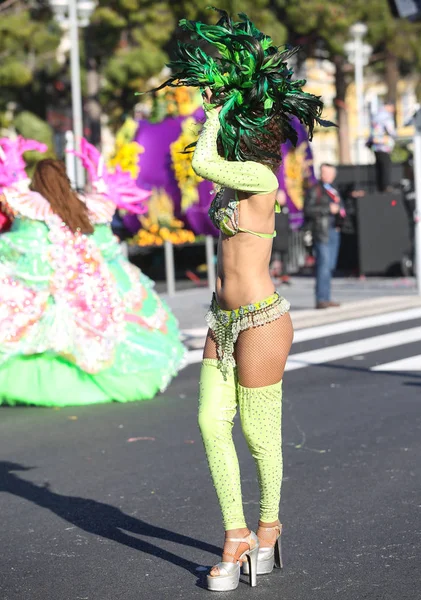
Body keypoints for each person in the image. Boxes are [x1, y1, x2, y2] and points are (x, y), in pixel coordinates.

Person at [152, 8, 333, 591]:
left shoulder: (264, 180)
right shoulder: (236, 179)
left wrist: (211, 111)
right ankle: (235, 535)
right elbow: (205, 171)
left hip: (262, 319)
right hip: (221, 317)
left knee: (259, 436)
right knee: (210, 424)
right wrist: (223, 99)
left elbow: (203, 158)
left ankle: (269, 529)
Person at [0, 149, 186, 406]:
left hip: (51, 282)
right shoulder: (89, 208)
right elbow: (108, 248)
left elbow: (19, 245)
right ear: (65, 179)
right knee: (102, 333)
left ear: (37, 182)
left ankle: (42, 387)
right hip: (90, 284)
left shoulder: (29, 208)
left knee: (37, 332)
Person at [304, 163, 345, 309]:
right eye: (324, 172)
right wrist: (328, 209)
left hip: (334, 230)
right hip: (322, 232)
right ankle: (321, 298)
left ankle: (326, 297)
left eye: (329, 173)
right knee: (324, 265)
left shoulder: (334, 189)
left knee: (331, 265)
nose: (326, 175)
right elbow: (308, 209)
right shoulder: (315, 190)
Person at [368, 102, 396, 192]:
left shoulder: (376, 115)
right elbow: (391, 131)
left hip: (376, 146)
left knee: (379, 167)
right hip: (383, 145)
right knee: (386, 166)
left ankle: (380, 188)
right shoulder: (386, 116)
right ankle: (386, 187)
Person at [270, 190, 291, 285]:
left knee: (284, 258)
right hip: (275, 237)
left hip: (284, 237)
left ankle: (284, 275)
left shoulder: (286, 209)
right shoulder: (273, 209)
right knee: (273, 257)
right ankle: (272, 273)